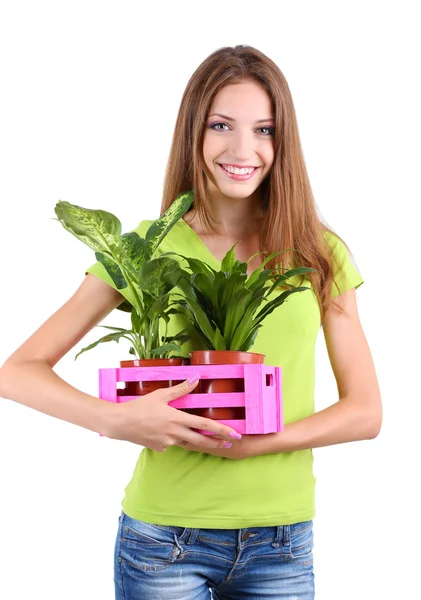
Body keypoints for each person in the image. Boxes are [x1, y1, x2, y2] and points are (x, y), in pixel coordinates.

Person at [0, 45, 382, 599]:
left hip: (282, 542)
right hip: (164, 543)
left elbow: (365, 412)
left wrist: (262, 443)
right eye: (221, 125)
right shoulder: (145, 249)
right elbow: (17, 371)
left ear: (284, 141)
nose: (243, 149)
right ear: (193, 133)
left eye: (265, 130)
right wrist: (115, 419)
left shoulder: (317, 253)